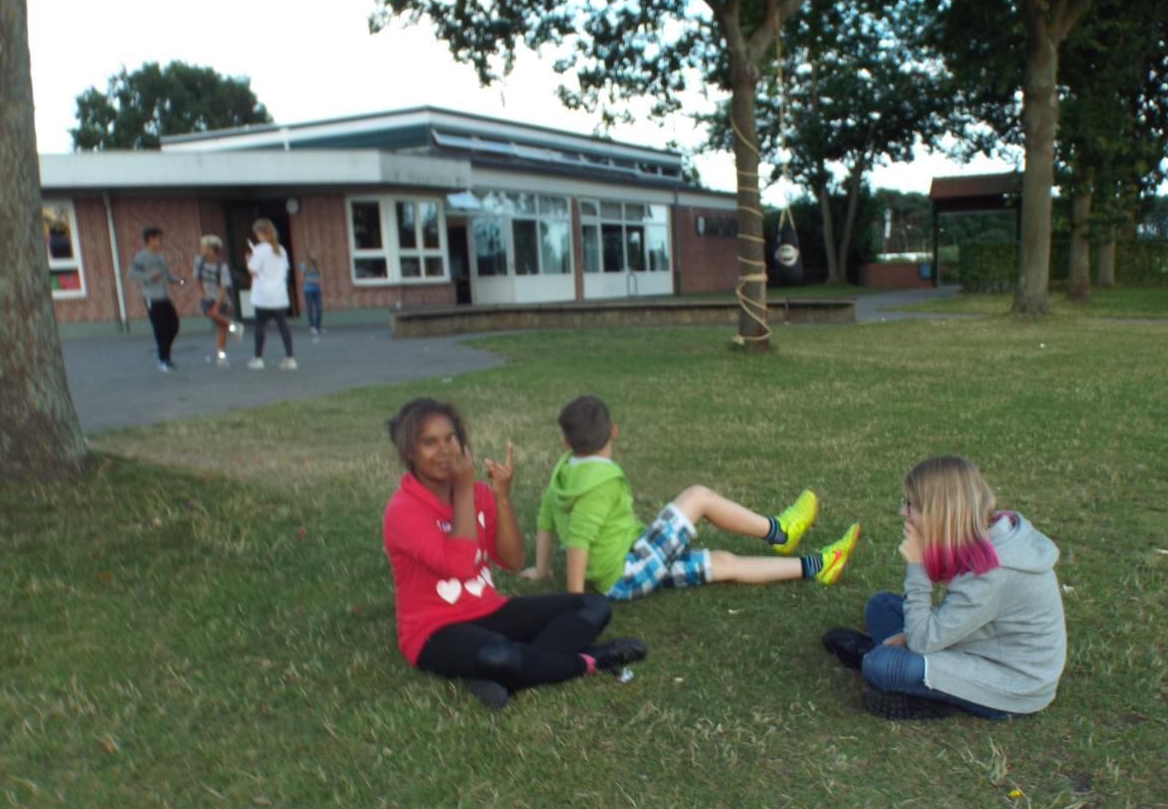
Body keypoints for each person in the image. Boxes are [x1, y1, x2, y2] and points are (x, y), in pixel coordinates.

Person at [383, 398, 647, 709]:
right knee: (500, 655)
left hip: (488, 609)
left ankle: (505, 672)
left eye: (450, 438)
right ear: (409, 451)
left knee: (593, 606)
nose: (444, 450)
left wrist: (501, 498)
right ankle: (591, 660)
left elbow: (512, 560)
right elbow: (461, 565)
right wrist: (464, 489)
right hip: (433, 630)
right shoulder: (403, 510)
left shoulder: (478, 493)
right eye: (430, 442)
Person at [523, 394, 859, 600]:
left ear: (565, 442)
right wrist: (578, 602)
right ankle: (781, 531)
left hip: (630, 564)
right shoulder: (599, 485)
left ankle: (819, 565)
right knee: (698, 496)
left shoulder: (563, 475)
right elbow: (579, 542)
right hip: (628, 570)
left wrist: (541, 569)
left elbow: (545, 522)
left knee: (724, 563)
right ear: (614, 431)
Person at [822, 455, 1066, 721]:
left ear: (938, 513)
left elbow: (922, 641)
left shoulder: (993, 572)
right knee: (880, 606)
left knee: (880, 665)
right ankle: (905, 666)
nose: (903, 512)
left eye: (911, 505)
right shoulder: (986, 530)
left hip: (1013, 684)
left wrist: (917, 565)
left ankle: (918, 688)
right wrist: (911, 636)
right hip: (979, 642)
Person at [127, 226, 183, 372]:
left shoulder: (160, 256)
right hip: (151, 297)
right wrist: (148, 276)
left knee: (174, 325)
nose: (161, 241)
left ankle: (163, 352)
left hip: (163, 296)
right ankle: (163, 360)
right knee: (161, 329)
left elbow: (166, 275)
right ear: (150, 239)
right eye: (159, 239)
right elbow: (131, 274)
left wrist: (180, 281)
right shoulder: (141, 257)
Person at [244, 218, 295, 370]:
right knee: (283, 327)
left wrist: (248, 260)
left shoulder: (260, 250)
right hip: (279, 295)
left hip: (263, 295)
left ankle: (258, 358)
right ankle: (290, 358)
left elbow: (253, 271)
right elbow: (285, 270)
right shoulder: (281, 250)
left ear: (261, 233)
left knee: (260, 327)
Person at [193, 235, 243, 367]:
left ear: (211, 249)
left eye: (203, 247)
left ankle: (221, 357)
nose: (201, 249)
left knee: (221, 328)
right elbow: (197, 278)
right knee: (210, 313)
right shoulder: (199, 262)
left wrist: (217, 304)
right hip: (207, 296)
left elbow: (223, 287)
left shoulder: (222, 266)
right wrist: (202, 293)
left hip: (221, 298)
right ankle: (234, 326)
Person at [298, 252, 324, 338]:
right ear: (309, 256)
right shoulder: (304, 265)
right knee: (310, 309)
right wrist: (313, 281)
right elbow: (301, 278)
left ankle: (318, 326)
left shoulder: (317, 265)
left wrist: (319, 281)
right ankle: (312, 326)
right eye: (314, 255)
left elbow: (320, 276)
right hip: (308, 290)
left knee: (319, 308)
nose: (315, 256)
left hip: (317, 290)